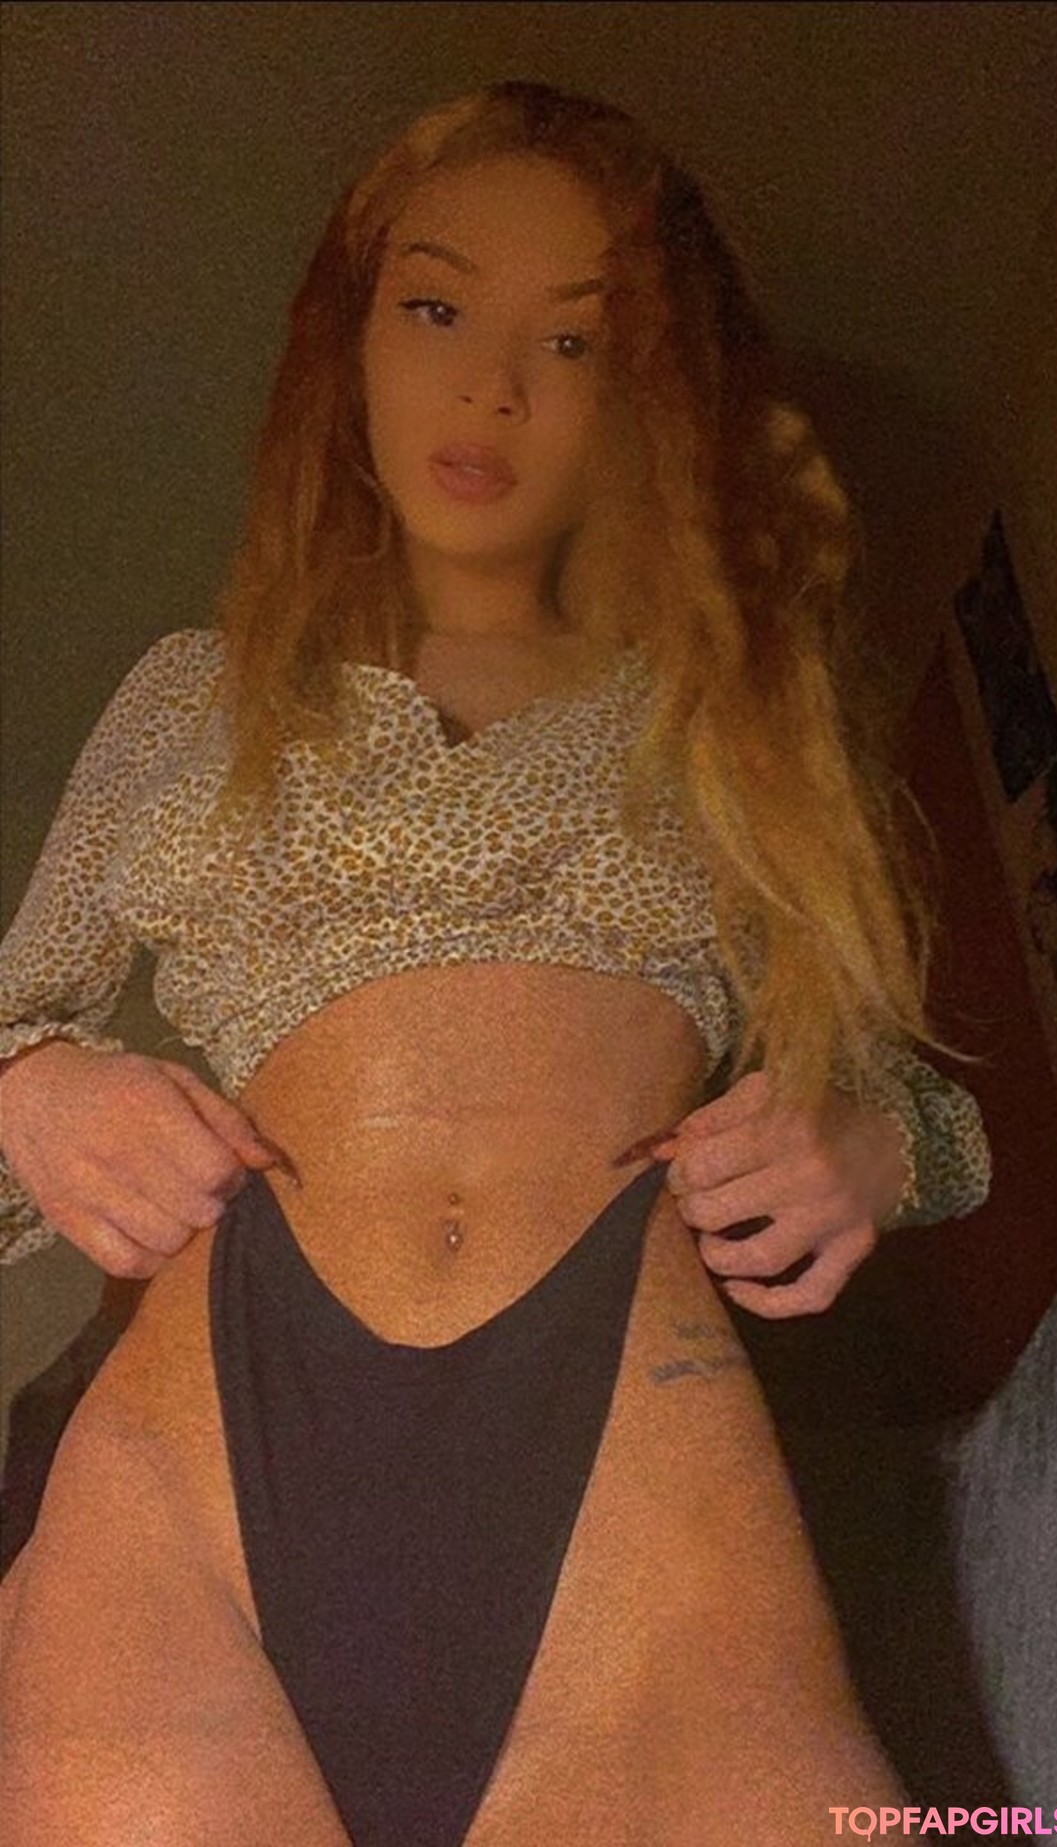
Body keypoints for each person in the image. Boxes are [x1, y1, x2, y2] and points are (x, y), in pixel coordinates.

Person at [0, 81, 989, 1846]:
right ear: (351, 342)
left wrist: (870, 1145)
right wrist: (32, 1092)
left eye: (578, 340)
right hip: (205, 1464)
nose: (494, 388)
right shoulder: (191, 694)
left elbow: (917, 1100)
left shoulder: (741, 720)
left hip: (631, 1456)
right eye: (437, 308)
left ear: (655, 398)